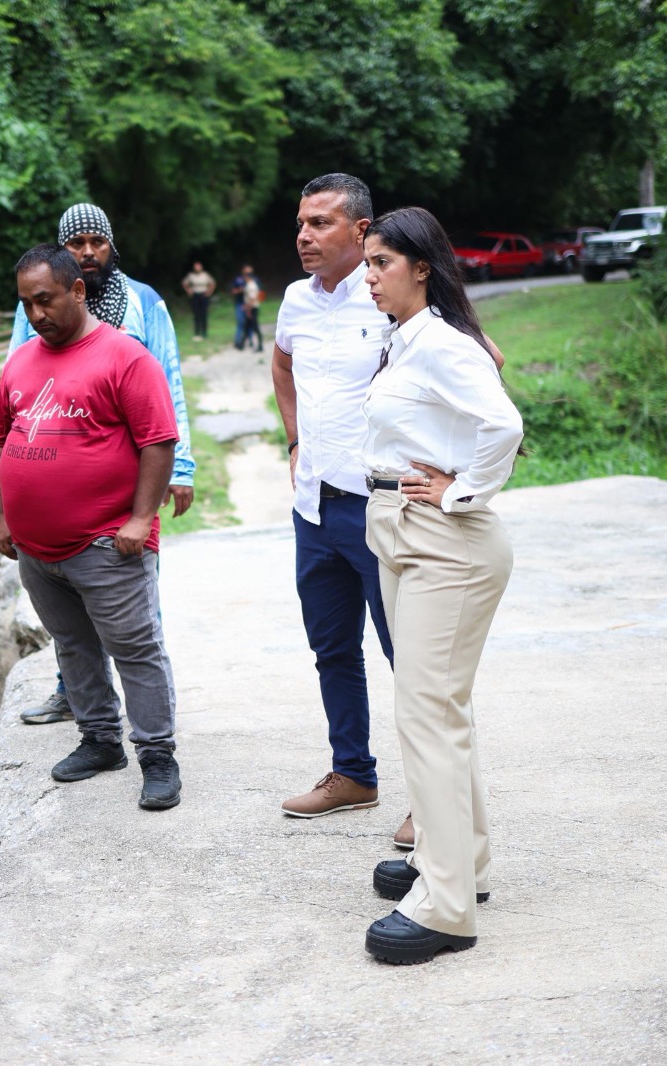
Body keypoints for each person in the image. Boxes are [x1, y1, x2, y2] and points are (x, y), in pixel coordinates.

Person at [357, 206, 523, 965]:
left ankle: (447, 907)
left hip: (445, 542)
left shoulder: (445, 345)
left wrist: (463, 492)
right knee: (439, 711)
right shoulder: (405, 340)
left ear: (422, 268)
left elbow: (502, 425)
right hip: (401, 530)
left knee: (426, 713)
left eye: (382, 263)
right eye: (367, 263)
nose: (369, 276)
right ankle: (460, 861)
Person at [0, 244, 183, 811]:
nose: (36, 314)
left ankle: (157, 755)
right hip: (36, 548)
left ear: (78, 290)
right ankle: (100, 740)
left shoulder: (125, 357)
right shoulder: (20, 362)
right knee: (72, 645)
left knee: (134, 648)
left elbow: (158, 440)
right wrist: (2, 516)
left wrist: (141, 518)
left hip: (106, 541)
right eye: (26, 304)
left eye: (45, 300)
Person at [7, 203, 196, 726]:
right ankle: (74, 695)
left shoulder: (143, 302)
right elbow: (14, 385)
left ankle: (151, 716)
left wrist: (181, 467)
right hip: (59, 482)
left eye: (98, 242)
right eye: (77, 243)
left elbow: (169, 383)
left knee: (134, 602)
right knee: (67, 608)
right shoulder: (36, 308)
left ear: (112, 245)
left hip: (132, 473)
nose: (88, 252)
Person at [270, 174, 401, 833]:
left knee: (411, 658)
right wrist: (295, 440)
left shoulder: (389, 294)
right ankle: (353, 774)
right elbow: (282, 364)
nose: (304, 235)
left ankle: (437, 801)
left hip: (378, 507)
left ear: (359, 230)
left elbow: (476, 360)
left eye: (320, 223)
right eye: (301, 223)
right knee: (333, 650)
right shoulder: (296, 299)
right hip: (314, 510)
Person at [181, 261, 216, 340]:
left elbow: (213, 283)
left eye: (198, 267)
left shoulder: (205, 275)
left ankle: (204, 333)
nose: (197, 268)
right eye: (196, 267)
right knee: (196, 314)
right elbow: (184, 283)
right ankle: (197, 333)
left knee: (204, 314)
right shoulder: (191, 275)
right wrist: (189, 291)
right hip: (195, 295)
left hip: (204, 295)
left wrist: (209, 292)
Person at [241, 265, 264, 352]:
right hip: (252, 307)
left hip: (252, 308)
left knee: (255, 327)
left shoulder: (250, 286)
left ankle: (260, 345)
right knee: (246, 326)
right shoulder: (252, 284)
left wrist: (248, 310)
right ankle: (241, 345)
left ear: (247, 277)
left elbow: (252, 299)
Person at [230, 267, 249, 349]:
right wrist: (240, 290)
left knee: (249, 323)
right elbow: (233, 291)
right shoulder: (238, 280)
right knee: (240, 322)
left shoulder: (253, 280)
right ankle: (237, 341)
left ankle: (249, 341)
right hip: (240, 303)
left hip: (250, 304)